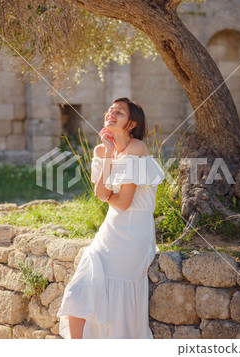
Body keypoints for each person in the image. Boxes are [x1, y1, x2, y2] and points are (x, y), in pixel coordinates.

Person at [57, 97, 165, 338]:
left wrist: (107, 195)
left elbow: (124, 202)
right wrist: (107, 153)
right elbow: (100, 193)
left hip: (134, 234)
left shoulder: (137, 148)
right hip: (109, 232)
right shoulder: (101, 149)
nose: (112, 114)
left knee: (116, 290)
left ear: (131, 124)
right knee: (81, 285)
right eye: (111, 110)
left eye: (120, 113)